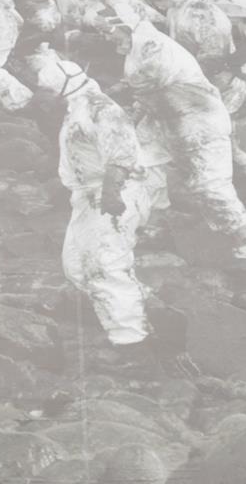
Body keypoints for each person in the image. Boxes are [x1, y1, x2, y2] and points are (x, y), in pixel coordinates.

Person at [31, 46, 157, 357]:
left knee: (105, 263)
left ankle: (132, 341)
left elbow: (122, 153)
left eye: (46, 90)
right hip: (87, 197)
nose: (42, 97)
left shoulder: (102, 109)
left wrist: (112, 193)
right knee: (75, 265)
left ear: (64, 86)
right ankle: (140, 309)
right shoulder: (76, 109)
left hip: (114, 191)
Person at [119, 16, 246, 262]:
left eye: (109, 32)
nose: (105, 37)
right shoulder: (138, 48)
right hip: (165, 119)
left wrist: (124, 93)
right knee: (145, 166)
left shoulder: (157, 51)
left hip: (200, 124)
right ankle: (155, 225)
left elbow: (146, 82)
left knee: (209, 184)